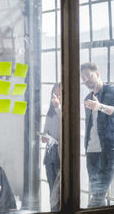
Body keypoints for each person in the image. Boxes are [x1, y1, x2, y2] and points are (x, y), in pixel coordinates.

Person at [81, 62, 114, 207]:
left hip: (109, 152)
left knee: (97, 197)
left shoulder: (112, 92)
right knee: (98, 196)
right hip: (91, 152)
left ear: (97, 74)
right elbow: (90, 126)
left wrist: (100, 107)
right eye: (83, 78)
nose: (85, 80)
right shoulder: (87, 98)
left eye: (88, 75)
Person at [41, 83, 61, 211]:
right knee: (51, 190)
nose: (56, 97)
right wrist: (44, 137)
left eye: (59, 94)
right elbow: (45, 132)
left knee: (59, 191)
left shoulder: (64, 112)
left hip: (60, 154)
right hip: (50, 155)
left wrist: (58, 107)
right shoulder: (50, 113)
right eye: (54, 94)